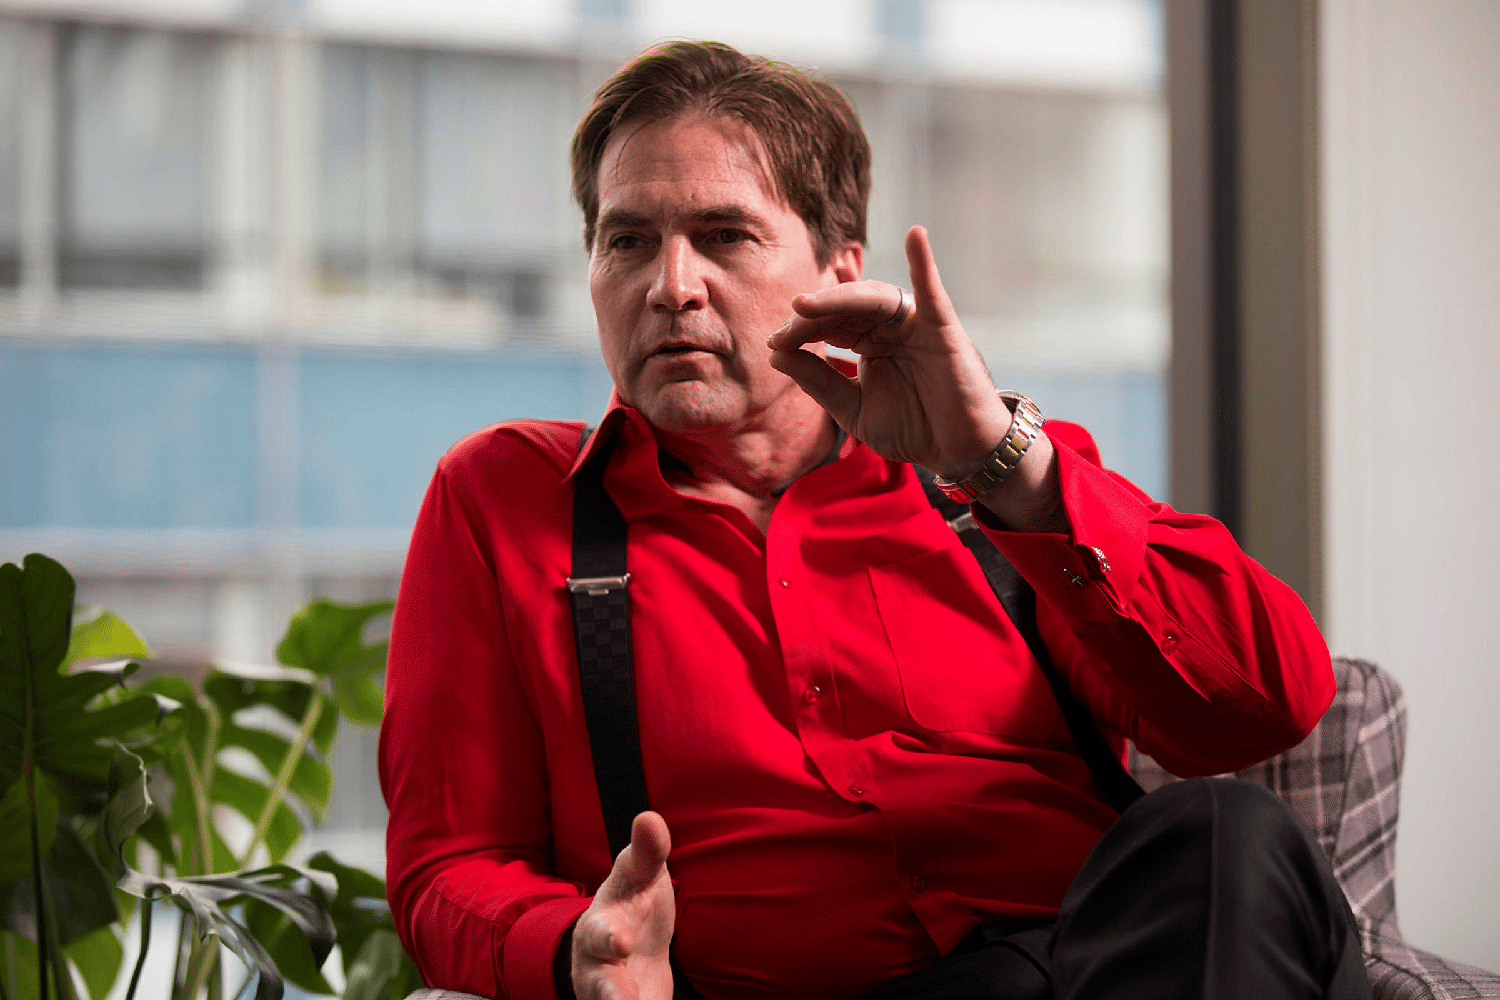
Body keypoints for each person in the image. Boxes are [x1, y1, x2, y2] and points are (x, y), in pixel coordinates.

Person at [379, 40, 1368, 1000]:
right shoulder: (506, 499)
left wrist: (1004, 462)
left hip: (1091, 966)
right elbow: (448, 866)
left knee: (1225, 835)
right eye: (627, 240)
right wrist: (575, 950)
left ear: (838, 275)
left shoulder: (1000, 480)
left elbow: (1264, 705)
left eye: (724, 236)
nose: (672, 286)